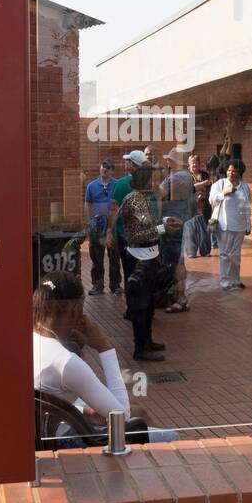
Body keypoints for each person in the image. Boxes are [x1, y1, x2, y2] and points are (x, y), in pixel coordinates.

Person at [33, 271, 177, 442]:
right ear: (75, 309)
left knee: (138, 409)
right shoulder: (66, 361)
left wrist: (80, 410)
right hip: (67, 438)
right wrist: (104, 348)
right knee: (169, 437)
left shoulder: (32, 338)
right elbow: (121, 417)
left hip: (51, 424)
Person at [119, 163, 173, 361]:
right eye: (153, 179)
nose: (156, 182)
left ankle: (147, 341)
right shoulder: (136, 201)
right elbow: (142, 231)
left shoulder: (140, 199)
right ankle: (140, 348)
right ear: (145, 180)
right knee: (141, 304)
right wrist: (163, 228)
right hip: (139, 256)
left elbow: (147, 225)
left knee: (148, 302)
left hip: (145, 254)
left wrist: (162, 224)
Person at [158, 148, 193, 311]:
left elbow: (158, 194)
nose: (167, 162)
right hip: (180, 222)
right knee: (177, 260)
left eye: (170, 159)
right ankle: (176, 295)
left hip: (173, 225)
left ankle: (180, 297)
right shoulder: (187, 176)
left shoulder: (177, 177)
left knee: (175, 262)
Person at [209, 158, 251, 290]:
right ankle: (225, 282)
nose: (231, 173)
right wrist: (224, 194)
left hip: (239, 226)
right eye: (229, 170)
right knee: (225, 254)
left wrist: (248, 225)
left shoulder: (244, 187)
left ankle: (235, 280)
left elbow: (247, 207)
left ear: (240, 173)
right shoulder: (219, 184)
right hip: (224, 225)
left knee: (236, 255)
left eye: (234, 171)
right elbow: (212, 200)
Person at [83, 158, 120, 295]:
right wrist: (88, 222)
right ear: (100, 168)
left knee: (114, 256)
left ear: (112, 170)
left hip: (113, 227)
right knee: (96, 257)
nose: (105, 169)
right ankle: (97, 285)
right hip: (97, 227)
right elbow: (87, 204)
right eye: (103, 166)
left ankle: (115, 285)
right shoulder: (91, 186)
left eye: (108, 167)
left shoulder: (117, 185)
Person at [107, 150, 144, 287]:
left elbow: (114, 210)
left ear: (132, 165)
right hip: (146, 236)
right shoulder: (150, 183)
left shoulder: (121, 184)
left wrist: (109, 231)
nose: (124, 163)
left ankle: (133, 304)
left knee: (129, 271)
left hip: (125, 235)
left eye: (127, 161)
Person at [184, 153, 213, 258]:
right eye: (193, 164)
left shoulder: (205, 175)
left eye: (196, 164)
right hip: (190, 206)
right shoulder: (186, 176)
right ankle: (191, 251)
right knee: (190, 229)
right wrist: (203, 184)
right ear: (189, 165)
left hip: (204, 205)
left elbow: (210, 185)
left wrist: (204, 184)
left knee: (205, 229)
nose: (195, 166)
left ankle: (205, 251)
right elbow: (189, 188)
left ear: (200, 164)